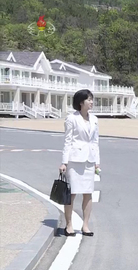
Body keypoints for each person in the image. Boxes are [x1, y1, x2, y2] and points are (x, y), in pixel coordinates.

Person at [59, 89, 100, 237]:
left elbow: (95, 142)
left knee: (88, 193)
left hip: (89, 160)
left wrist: (97, 162)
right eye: (88, 99)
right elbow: (67, 141)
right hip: (74, 160)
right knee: (72, 193)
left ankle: (86, 225)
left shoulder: (95, 119)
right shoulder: (71, 118)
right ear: (81, 102)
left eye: (91, 99)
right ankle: (69, 225)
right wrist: (64, 162)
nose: (91, 102)